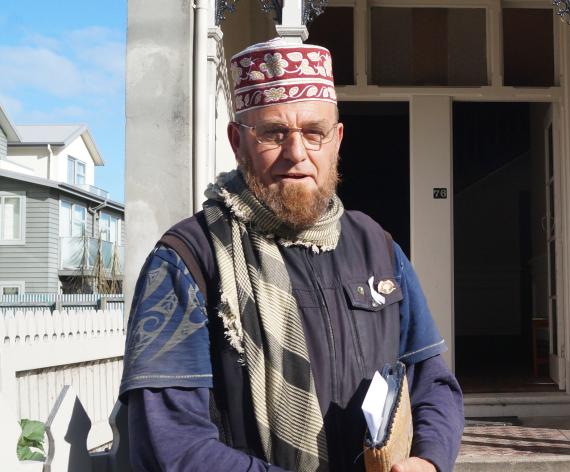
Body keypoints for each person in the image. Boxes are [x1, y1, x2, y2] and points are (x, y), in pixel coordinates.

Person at [119, 38, 464, 472]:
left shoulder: (377, 247)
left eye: (313, 133)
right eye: (274, 133)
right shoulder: (188, 261)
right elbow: (170, 444)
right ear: (237, 141)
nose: (296, 153)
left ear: (336, 140)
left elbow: (431, 381)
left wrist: (428, 460)